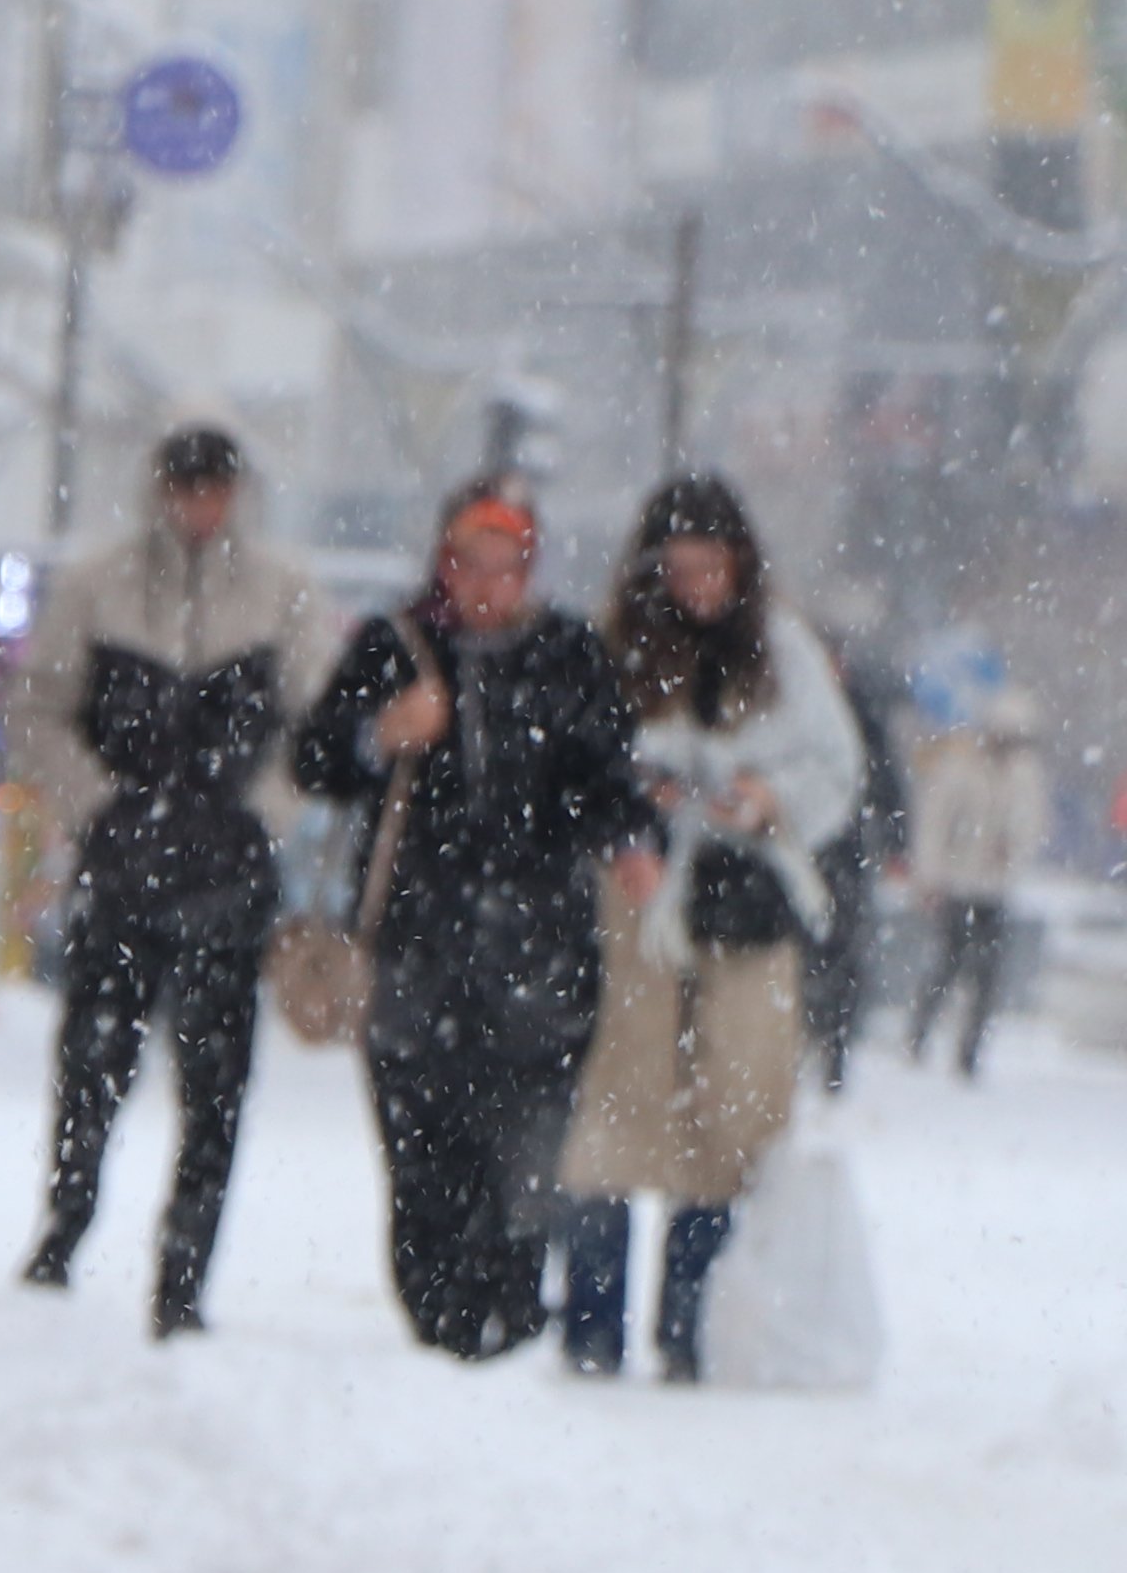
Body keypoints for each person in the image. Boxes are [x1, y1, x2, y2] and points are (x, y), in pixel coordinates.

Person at [292, 482, 654, 1358]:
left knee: (526, 1159)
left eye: (508, 565)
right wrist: (382, 735)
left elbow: (606, 778)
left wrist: (631, 840)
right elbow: (314, 761)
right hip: (417, 952)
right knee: (422, 1159)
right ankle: (440, 1323)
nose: (488, 584)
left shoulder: (567, 653)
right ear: (442, 562)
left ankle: (511, 1319)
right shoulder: (394, 646)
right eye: (470, 562)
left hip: (541, 957)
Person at [16, 426, 330, 1335]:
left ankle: (184, 1271)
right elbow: (38, 704)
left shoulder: (281, 592)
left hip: (228, 875)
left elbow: (317, 720)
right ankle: (64, 1230)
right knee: (92, 1063)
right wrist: (96, 805)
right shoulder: (99, 584)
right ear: (159, 488)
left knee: (216, 1081)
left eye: (215, 486)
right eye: (186, 485)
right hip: (123, 870)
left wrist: (262, 811)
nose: (201, 504)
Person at [554, 473, 865, 1380]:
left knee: (736, 1108)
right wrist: (628, 818)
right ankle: (592, 1324)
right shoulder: (613, 653)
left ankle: (696, 1322)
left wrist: (770, 799)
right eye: (679, 568)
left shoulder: (785, 653)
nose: (696, 587)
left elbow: (836, 767)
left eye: (711, 567)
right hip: (639, 897)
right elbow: (579, 763)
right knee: (620, 1095)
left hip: (748, 898)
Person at [906, 688, 1050, 1078]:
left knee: (988, 974)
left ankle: (969, 1051)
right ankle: (919, 1036)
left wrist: (1013, 848)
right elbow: (935, 823)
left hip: (995, 888)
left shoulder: (1025, 773)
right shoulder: (959, 765)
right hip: (956, 883)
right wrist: (930, 876)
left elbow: (1032, 825)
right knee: (947, 965)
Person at [809, 638, 909, 1094]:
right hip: (798, 847)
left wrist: (896, 843)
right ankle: (812, 1034)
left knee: (845, 952)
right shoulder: (793, 711)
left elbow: (886, 778)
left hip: (845, 849)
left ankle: (835, 1046)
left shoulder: (860, 714)